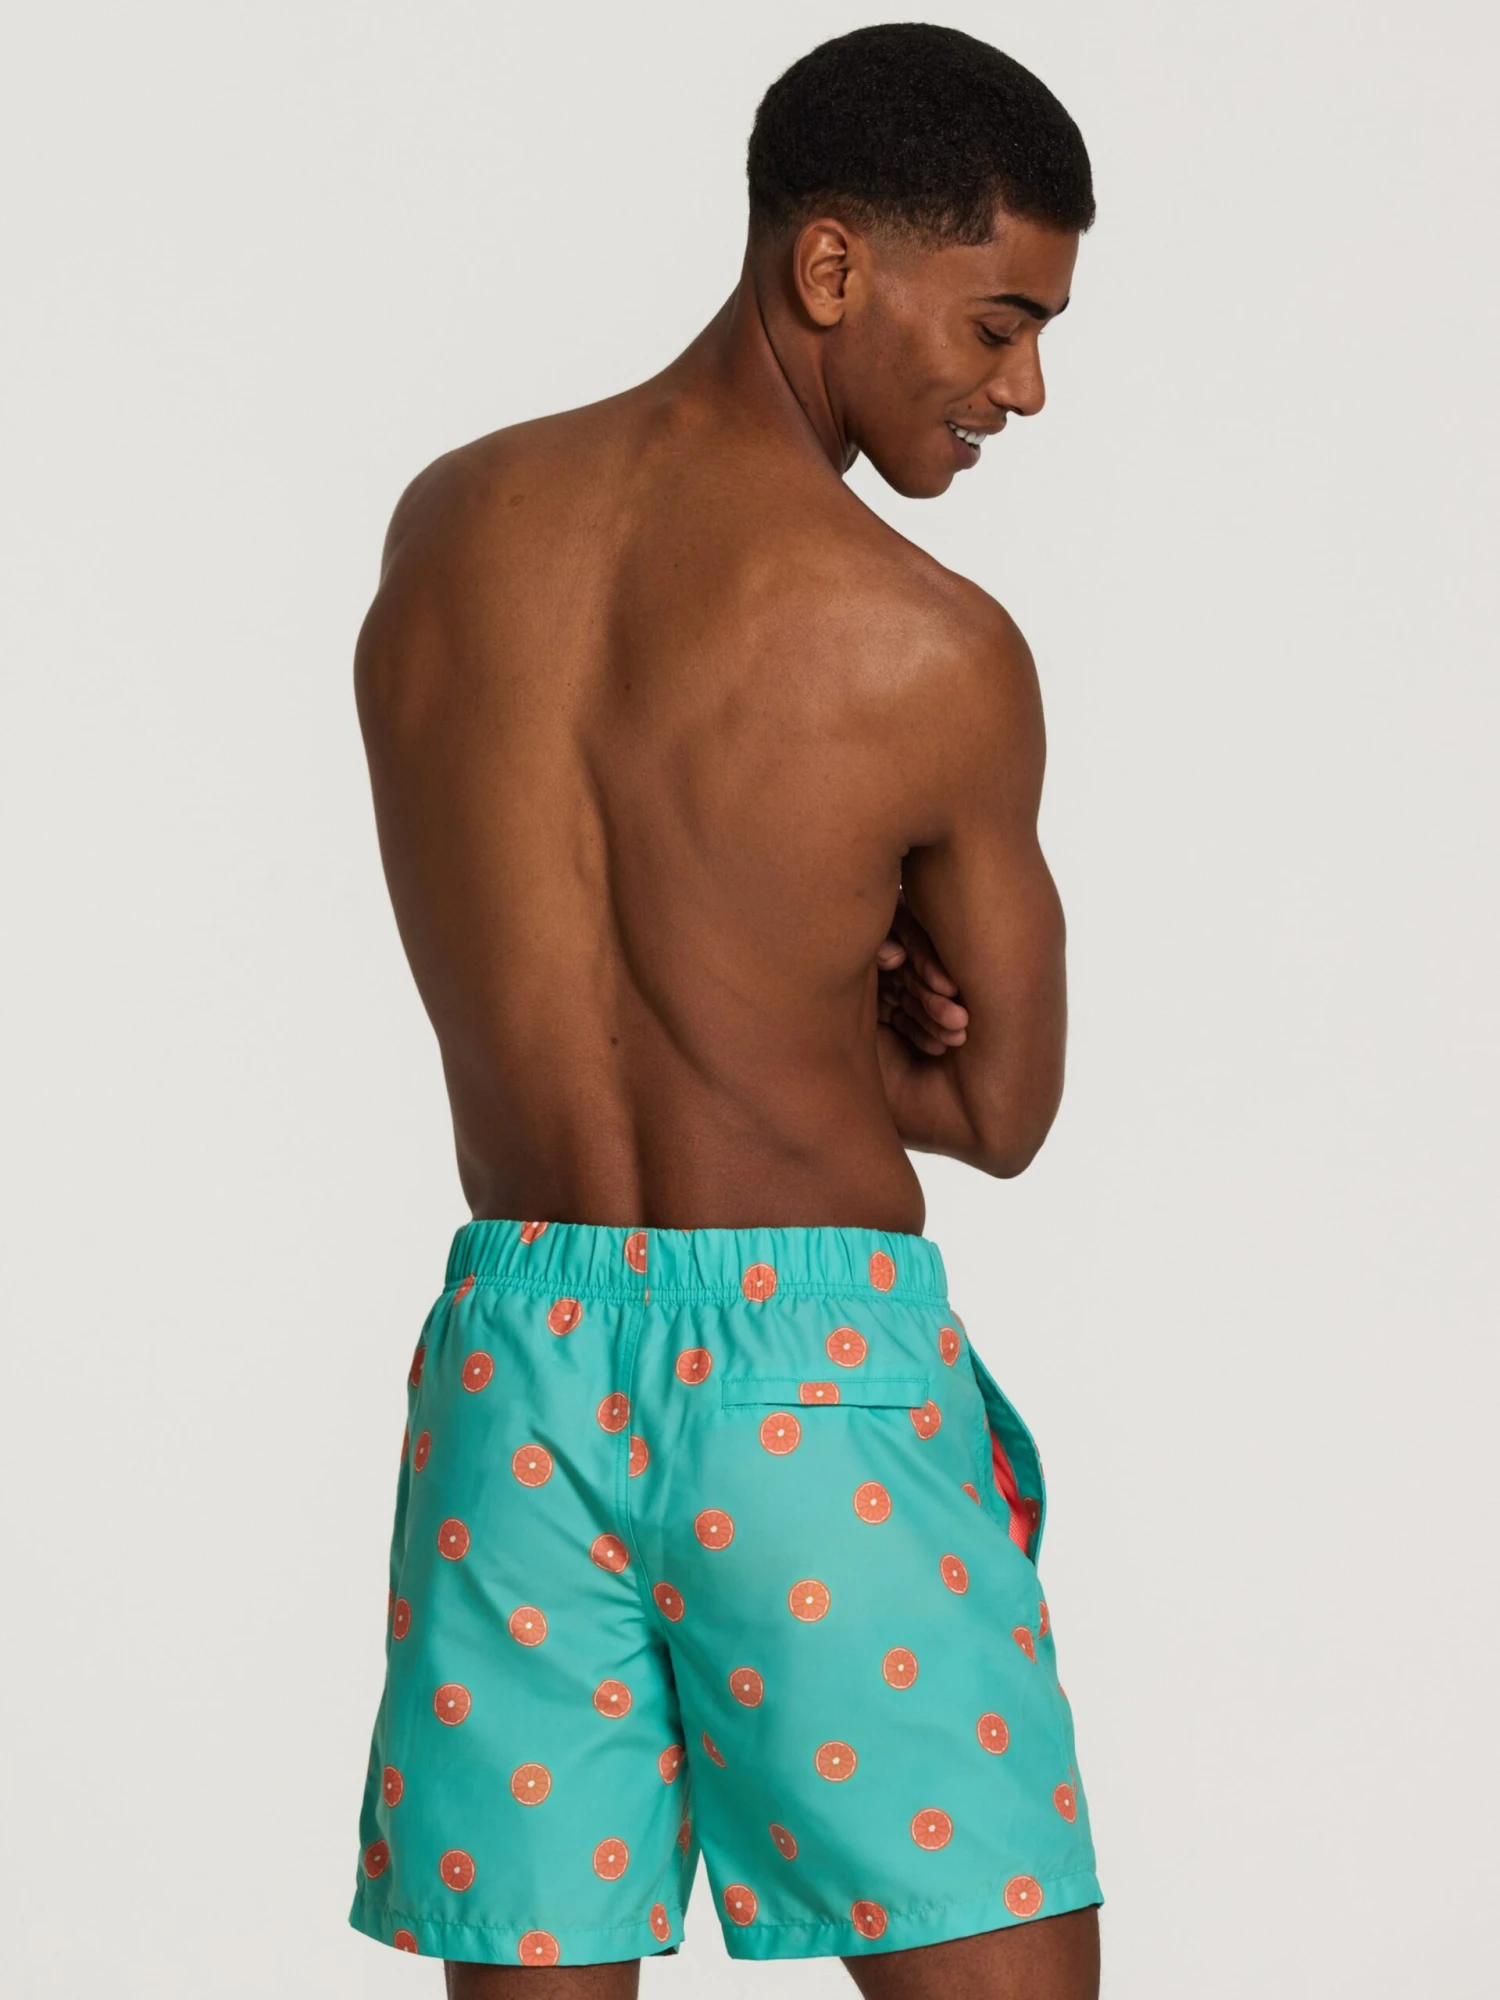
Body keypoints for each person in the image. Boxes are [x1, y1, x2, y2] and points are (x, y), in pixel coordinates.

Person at [347, 22, 1101, 1998]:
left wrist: (744, 979)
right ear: (832, 265)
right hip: (804, 1381)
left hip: (514, 1374)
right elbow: (1004, 1109)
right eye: (1002, 321)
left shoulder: (449, 529)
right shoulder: (929, 647)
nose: (1026, 386)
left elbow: (551, 954)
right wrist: (844, 1011)